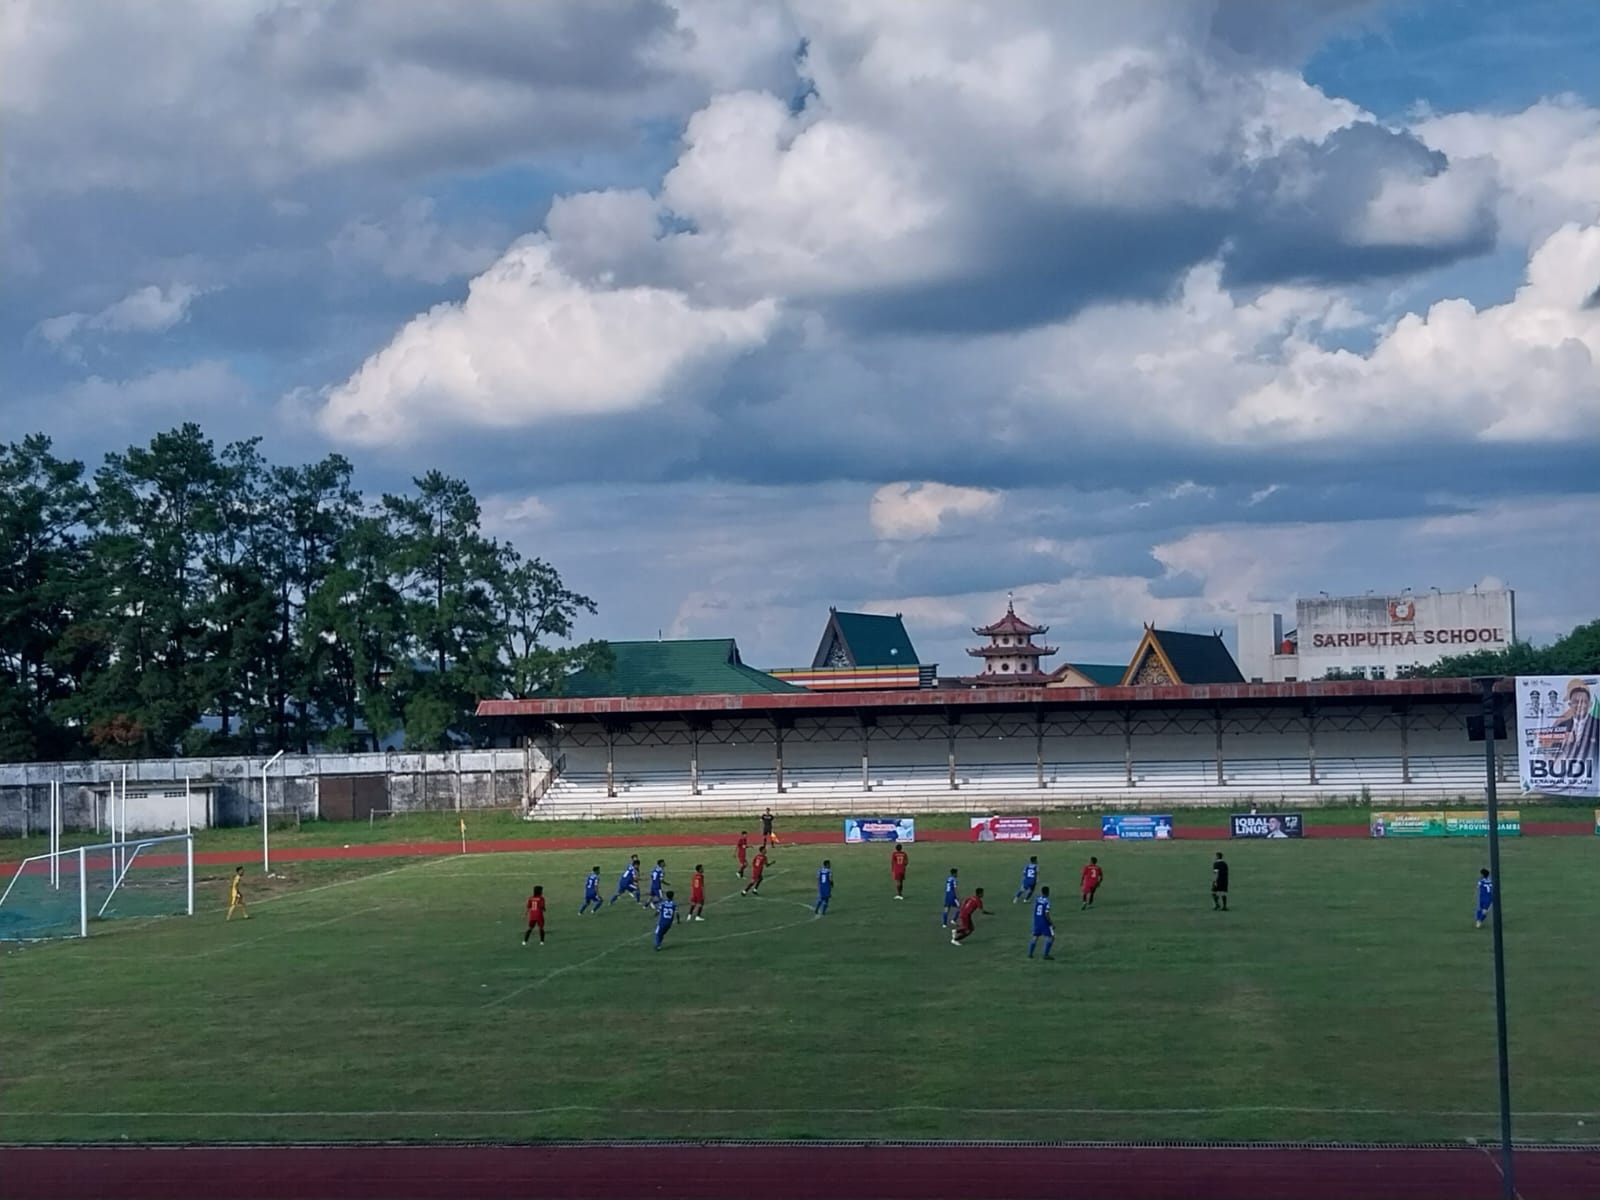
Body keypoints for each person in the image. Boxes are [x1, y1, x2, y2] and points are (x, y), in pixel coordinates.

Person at [1028, 887, 1055, 960]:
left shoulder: (1037, 899)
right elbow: (1046, 914)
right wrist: (1051, 923)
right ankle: (1045, 955)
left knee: (1035, 937)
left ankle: (1030, 953)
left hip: (1036, 920)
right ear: (1048, 892)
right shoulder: (1047, 901)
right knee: (1051, 937)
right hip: (1044, 922)